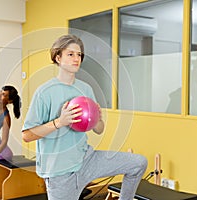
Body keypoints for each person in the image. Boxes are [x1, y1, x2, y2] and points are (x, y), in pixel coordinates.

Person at [22, 34, 148, 200]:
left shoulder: (85, 89)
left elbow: (99, 129)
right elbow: (27, 135)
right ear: (58, 57)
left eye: (79, 55)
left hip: (87, 159)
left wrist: (97, 120)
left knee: (138, 163)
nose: (76, 58)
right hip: (60, 172)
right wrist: (60, 122)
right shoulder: (44, 92)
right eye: (71, 54)